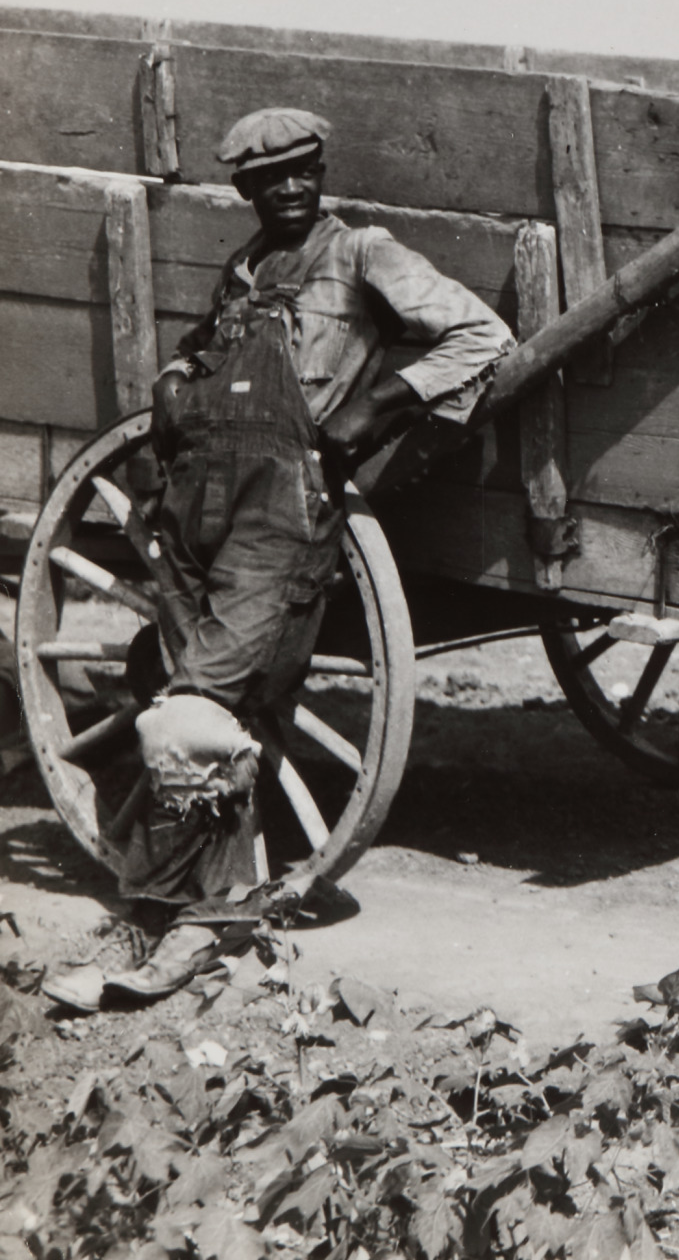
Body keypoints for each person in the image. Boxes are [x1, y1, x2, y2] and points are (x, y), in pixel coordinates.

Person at [45, 108, 513, 1012]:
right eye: (273, 178)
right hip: (199, 508)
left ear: (322, 170)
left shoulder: (365, 254)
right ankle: (168, 900)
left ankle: (185, 928)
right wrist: (177, 385)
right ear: (248, 189)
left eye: (305, 171)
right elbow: (200, 356)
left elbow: (478, 335)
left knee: (197, 717)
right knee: (180, 684)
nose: (292, 188)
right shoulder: (246, 268)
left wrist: (376, 410)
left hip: (284, 515)